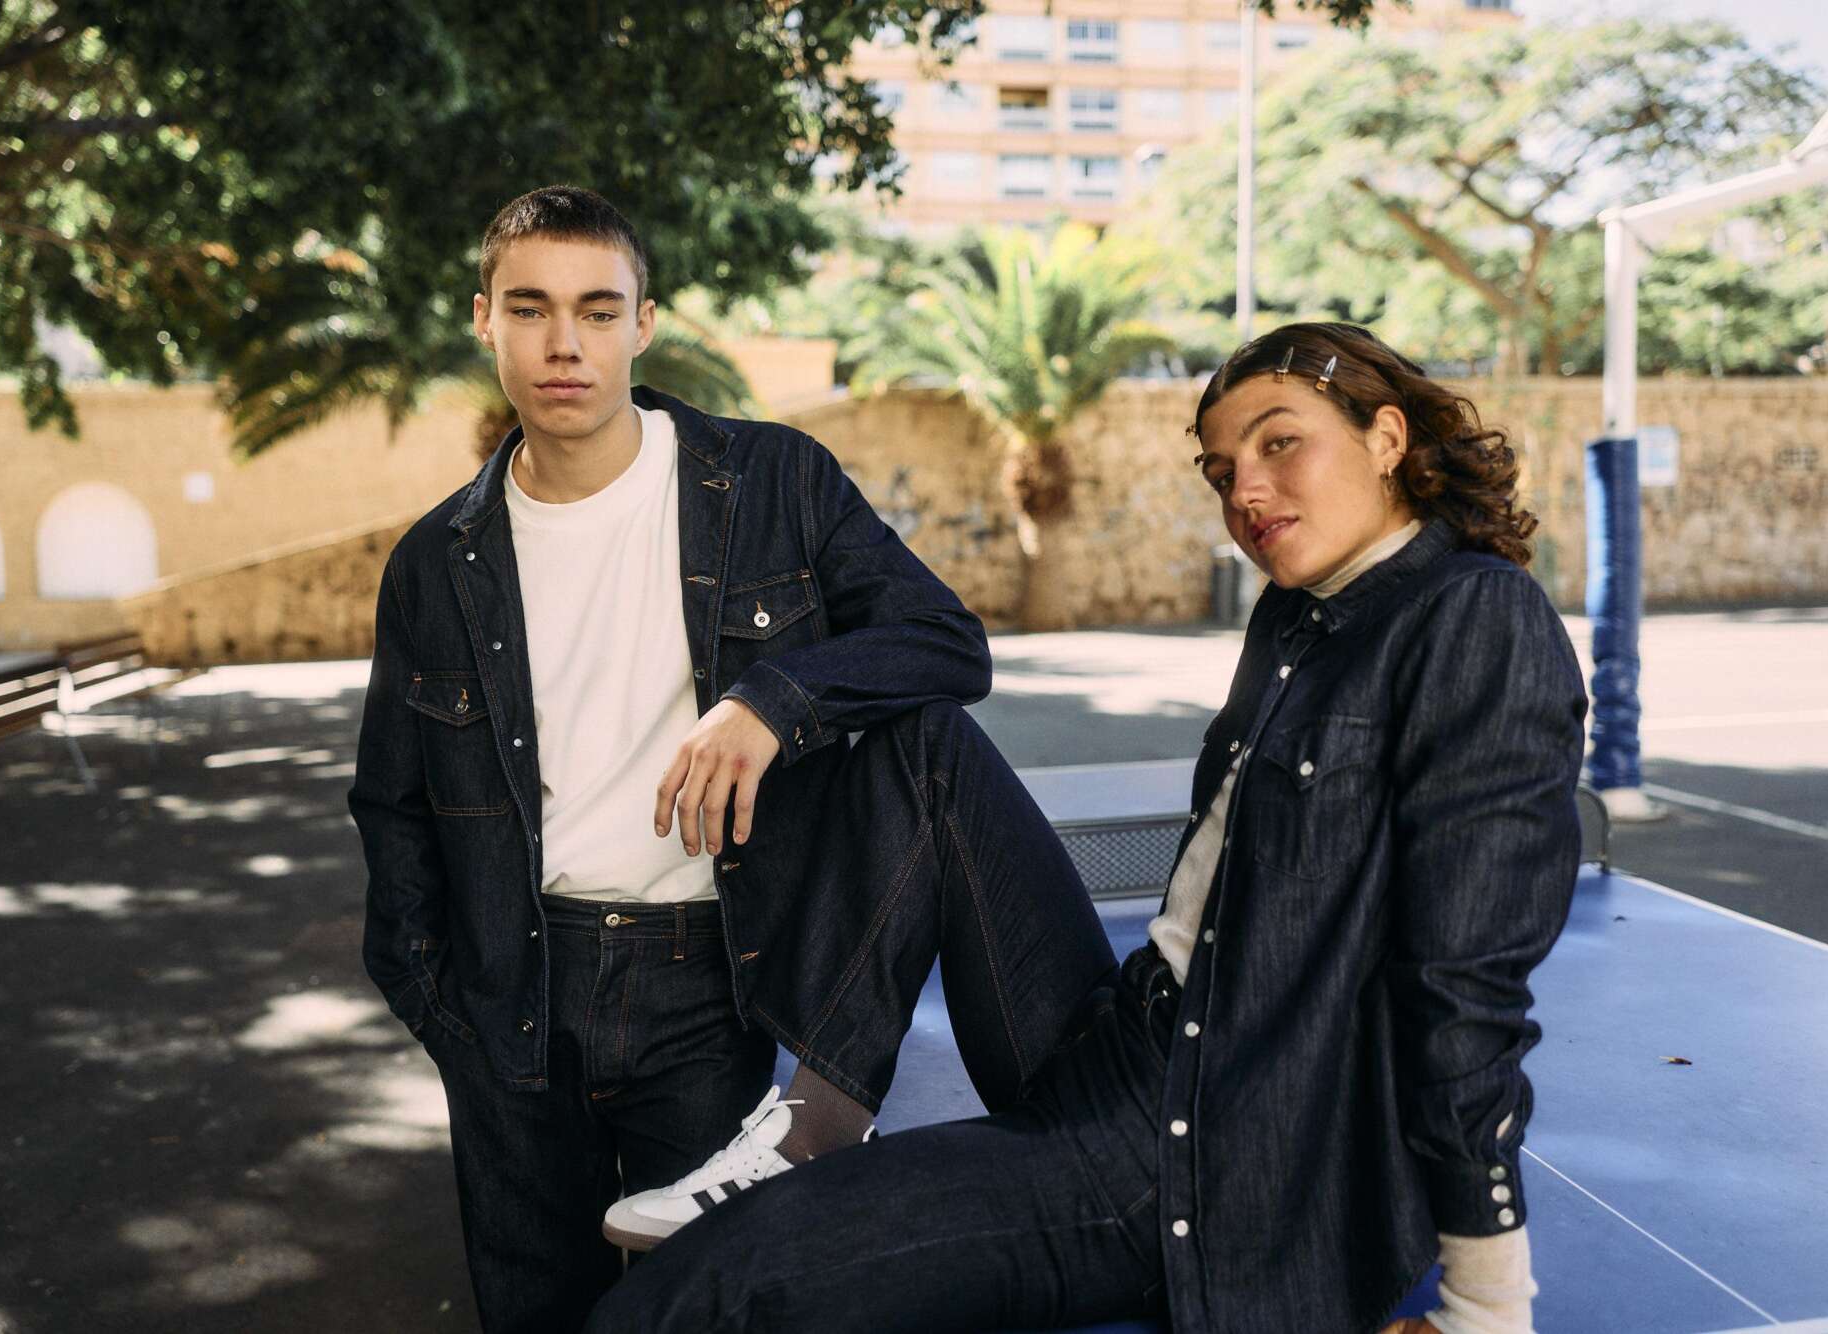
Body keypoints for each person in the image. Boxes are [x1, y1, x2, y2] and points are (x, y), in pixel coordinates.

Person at [582, 321, 1588, 1334]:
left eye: (1279, 443)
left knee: (712, 1282)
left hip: (1187, 1149)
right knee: (923, 743)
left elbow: (1463, 989)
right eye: (1220, 467)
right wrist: (770, 694)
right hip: (1120, 1029)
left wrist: (1485, 1309)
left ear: (1383, 436)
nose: (1242, 490)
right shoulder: (1297, 614)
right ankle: (816, 1121)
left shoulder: (1477, 620)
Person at [348, 185, 1114, 1333]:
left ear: (643, 325)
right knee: (535, 1309)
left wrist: (775, 698)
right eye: (533, 309)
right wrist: (435, 1001)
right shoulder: (434, 562)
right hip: (510, 991)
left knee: (707, 1307)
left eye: (598, 311)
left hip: (702, 979)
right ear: (484, 321)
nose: (566, 342)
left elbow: (944, 643)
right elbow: (391, 801)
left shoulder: (770, 484)